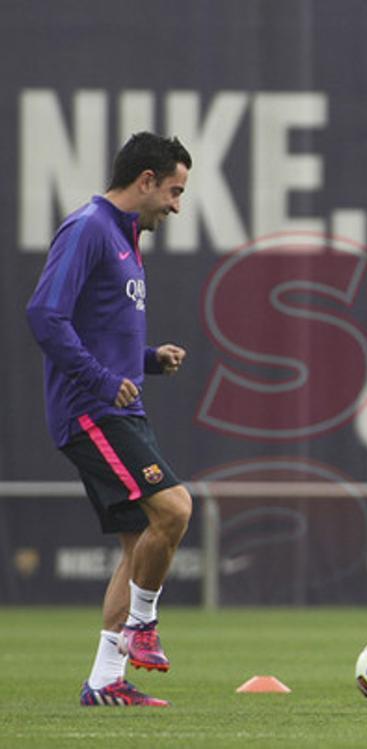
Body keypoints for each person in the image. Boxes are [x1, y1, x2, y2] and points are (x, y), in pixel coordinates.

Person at [26, 132, 194, 707]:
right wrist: (100, 380)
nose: (176, 205)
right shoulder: (89, 227)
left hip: (118, 407)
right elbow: (44, 315)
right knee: (175, 509)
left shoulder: (123, 238)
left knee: (140, 545)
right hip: (91, 410)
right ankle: (142, 626)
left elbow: (97, 330)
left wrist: (147, 360)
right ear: (146, 180)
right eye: (174, 191)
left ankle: (104, 681)